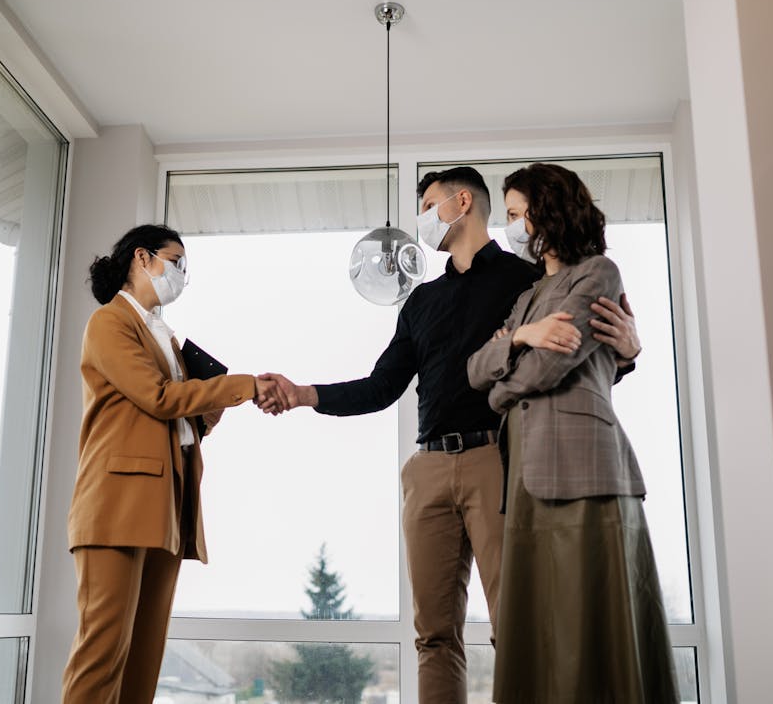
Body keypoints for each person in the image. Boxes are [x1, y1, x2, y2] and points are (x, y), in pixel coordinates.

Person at [259, 166, 641, 704]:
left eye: (427, 203)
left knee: (521, 625)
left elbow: (577, 356)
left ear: (462, 202)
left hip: (500, 462)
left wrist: (627, 353)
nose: (421, 218)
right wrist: (304, 394)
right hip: (428, 471)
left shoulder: (528, 281)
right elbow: (381, 385)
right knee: (433, 634)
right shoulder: (420, 302)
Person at [467, 163, 678, 703]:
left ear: (547, 211)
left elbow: (546, 370)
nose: (510, 227)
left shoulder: (598, 273)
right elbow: (474, 370)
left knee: (592, 620)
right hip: (528, 474)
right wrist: (521, 338)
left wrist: (506, 369)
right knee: (541, 625)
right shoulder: (528, 296)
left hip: (585, 467)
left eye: (515, 214)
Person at [61, 224, 280, 704]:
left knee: (143, 659)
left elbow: (175, 423)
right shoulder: (110, 323)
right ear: (142, 258)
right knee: (101, 655)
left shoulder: (163, 335)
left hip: (165, 507)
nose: (182, 274)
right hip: (116, 507)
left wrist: (209, 414)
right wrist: (243, 386)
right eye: (176, 261)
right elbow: (158, 398)